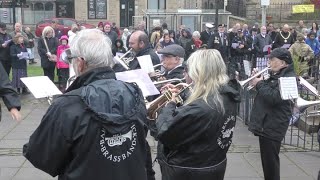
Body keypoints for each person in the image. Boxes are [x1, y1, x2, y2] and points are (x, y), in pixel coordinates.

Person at [23, 29, 149, 180]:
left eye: (72, 60)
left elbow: (42, 157)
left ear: (81, 63)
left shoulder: (66, 106)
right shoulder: (135, 93)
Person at [156, 49, 240, 180]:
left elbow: (165, 132)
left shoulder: (199, 109)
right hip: (213, 164)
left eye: (188, 71)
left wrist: (170, 105)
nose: (185, 76)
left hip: (188, 170)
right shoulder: (227, 96)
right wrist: (182, 94)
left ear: (199, 73)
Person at [248, 48, 296, 180]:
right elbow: (264, 94)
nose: (269, 62)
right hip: (267, 124)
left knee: (271, 164)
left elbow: (274, 97)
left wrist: (260, 83)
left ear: (283, 63)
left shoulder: (288, 78)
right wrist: (258, 80)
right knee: (267, 163)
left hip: (273, 125)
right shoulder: (276, 75)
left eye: (272, 60)